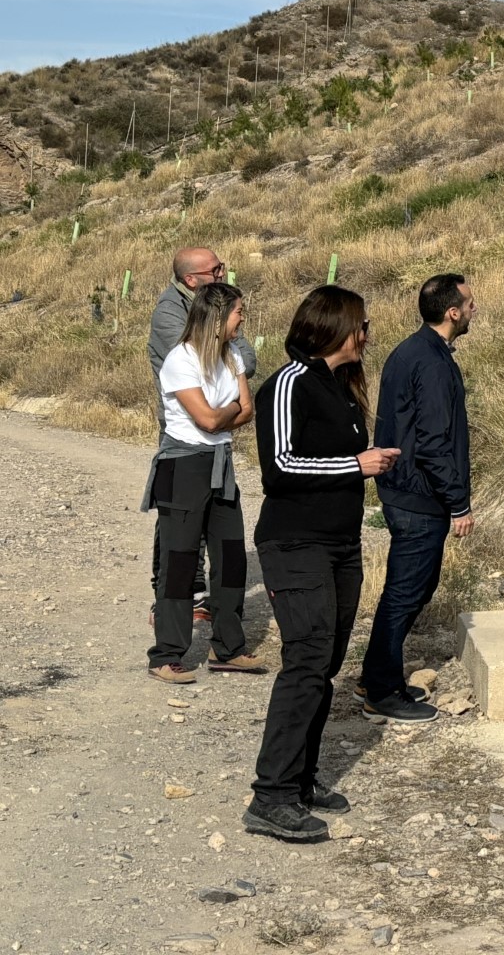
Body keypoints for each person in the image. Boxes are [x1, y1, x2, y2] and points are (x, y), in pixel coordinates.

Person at [246, 286, 400, 844]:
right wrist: (356, 464)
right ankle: (271, 796)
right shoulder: (289, 382)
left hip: (340, 545)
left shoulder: (342, 387)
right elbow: (280, 467)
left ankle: (302, 780)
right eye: (362, 323)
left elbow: (334, 463)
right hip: (295, 545)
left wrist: (371, 465)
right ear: (335, 326)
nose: (368, 332)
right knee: (306, 660)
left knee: (326, 662)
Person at [357, 274, 477, 724]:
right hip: (419, 495)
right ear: (452, 312)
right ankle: (382, 692)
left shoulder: (414, 350)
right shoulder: (429, 361)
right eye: (469, 303)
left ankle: (375, 676)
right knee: (405, 592)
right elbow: (432, 442)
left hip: (405, 490)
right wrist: (458, 502)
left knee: (413, 588)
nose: (473, 310)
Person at [143, 283, 266, 682]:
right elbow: (210, 420)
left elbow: (248, 411)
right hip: (184, 466)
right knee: (179, 563)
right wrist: (228, 410)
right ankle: (166, 654)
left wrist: (224, 411)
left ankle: (228, 648)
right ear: (216, 317)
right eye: (238, 312)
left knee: (232, 558)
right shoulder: (180, 360)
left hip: (220, 462)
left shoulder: (231, 355)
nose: (242, 318)